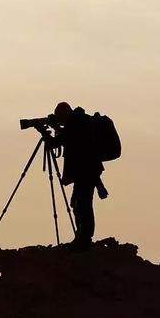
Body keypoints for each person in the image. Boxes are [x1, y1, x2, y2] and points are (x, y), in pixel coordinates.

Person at [52, 102, 106, 250]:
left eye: (60, 119)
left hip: (87, 172)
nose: (61, 122)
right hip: (86, 172)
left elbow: (65, 140)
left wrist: (100, 185)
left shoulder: (77, 125)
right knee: (77, 203)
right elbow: (66, 139)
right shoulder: (77, 123)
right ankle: (81, 237)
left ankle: (84, 239)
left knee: (82, 204)